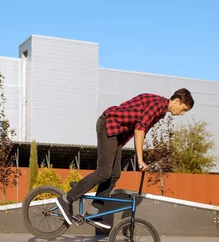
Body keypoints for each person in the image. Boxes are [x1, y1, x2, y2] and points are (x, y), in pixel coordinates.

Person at [56, 88, 194, 229]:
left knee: (114, 174)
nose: (182, 114)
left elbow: (141, 127)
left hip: (116, 134)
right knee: (104, 172)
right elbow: (140, 129)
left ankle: (94, 211)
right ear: (176, 101)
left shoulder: (160, 110)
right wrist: (140, 160)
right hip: (108, 126)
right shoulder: (158, 105)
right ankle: (67, 199)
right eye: (183, 109)